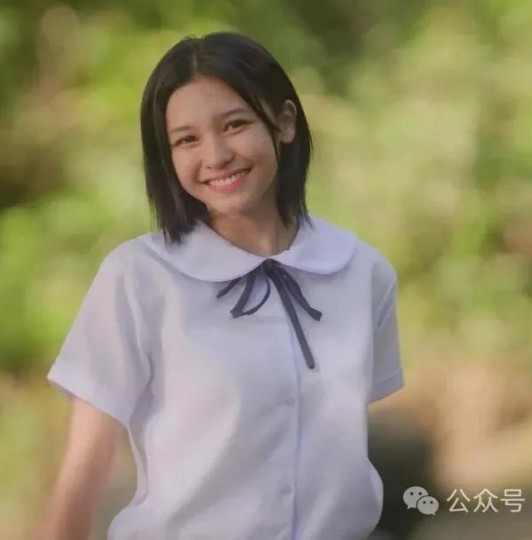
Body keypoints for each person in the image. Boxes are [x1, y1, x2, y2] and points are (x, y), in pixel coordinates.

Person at [43, 31, 404, 540]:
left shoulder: (362, 272)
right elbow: (84, 473)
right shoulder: (139, 278)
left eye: (234, 125)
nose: (215, 156)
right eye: (186, 140)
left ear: (284, 123)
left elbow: (339, 450)